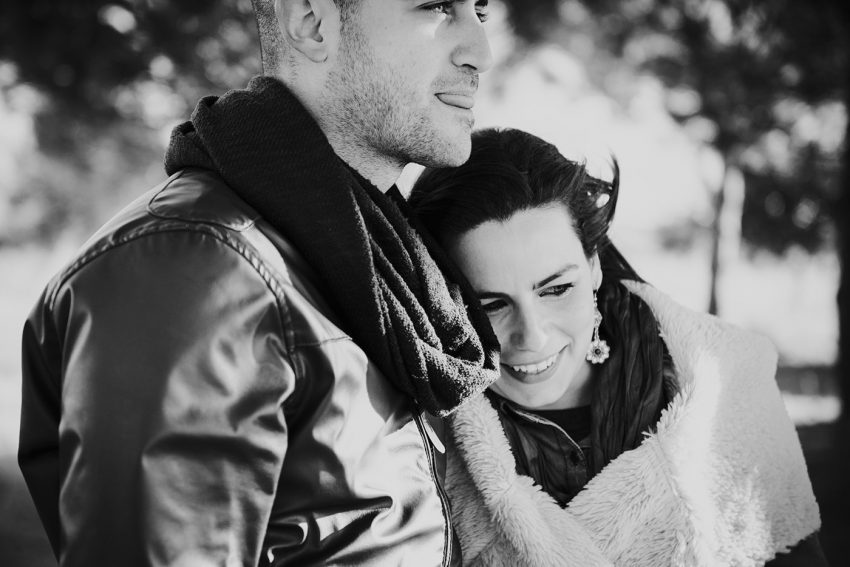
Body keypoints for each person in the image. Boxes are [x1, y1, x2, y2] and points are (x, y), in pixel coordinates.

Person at [18, 1, 501, 565]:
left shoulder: (377, 261)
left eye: (480, 10)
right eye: (438, 7)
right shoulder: (194, 268)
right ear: (312, 23)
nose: (481, 53)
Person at [409, 127, 826, 566]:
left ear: (593, 268)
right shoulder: (420, 440)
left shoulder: (726, 385)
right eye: (490, 305)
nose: (531, 335)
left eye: (555, 290)